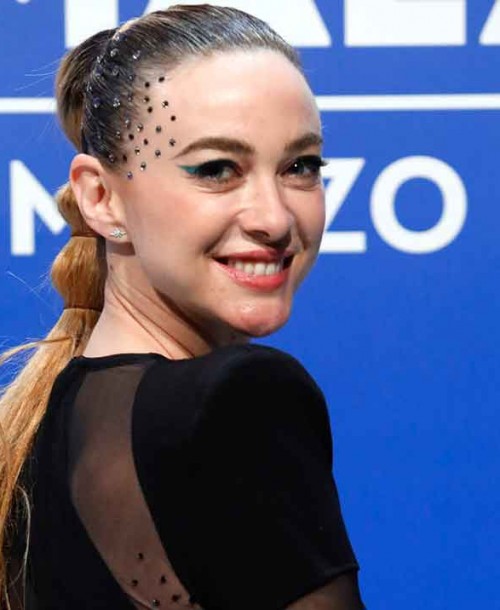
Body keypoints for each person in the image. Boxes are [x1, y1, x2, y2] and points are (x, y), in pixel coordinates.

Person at [0, 5, 365, 609]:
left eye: (300, 166)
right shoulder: (238, 402)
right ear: (101, 198)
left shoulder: (42, 432)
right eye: (217, 169)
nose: (275, 218)